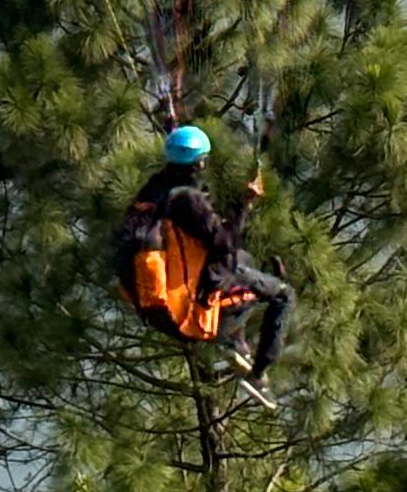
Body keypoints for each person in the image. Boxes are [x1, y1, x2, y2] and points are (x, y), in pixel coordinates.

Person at [115, 121, 292, 401]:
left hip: (152, 302)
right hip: (189, 303)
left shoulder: (153, 191)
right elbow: (226, 242)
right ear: (199, 164)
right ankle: (258, 375)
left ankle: (237, 341)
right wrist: (246, 203)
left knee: (246, 260)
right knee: (282, 294)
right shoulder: (188, 201)